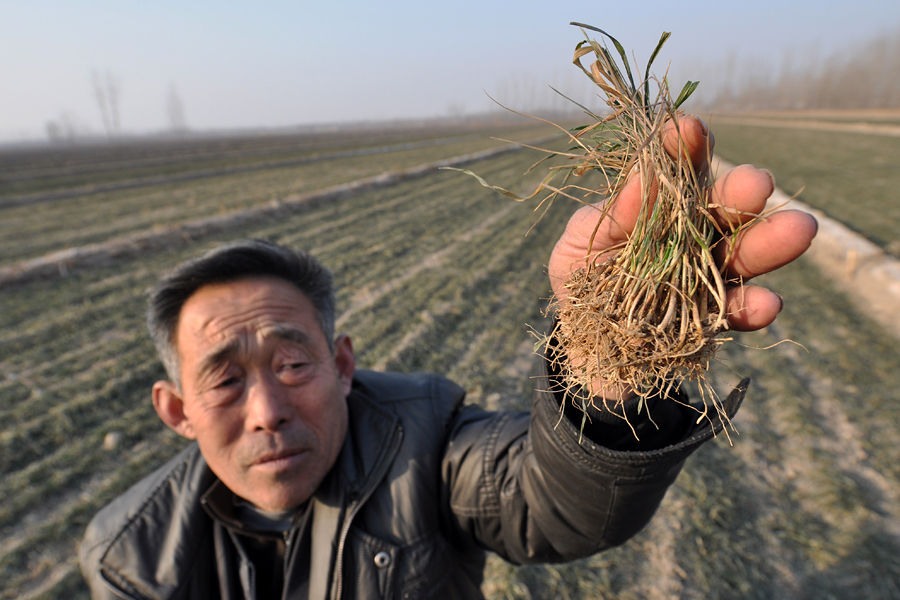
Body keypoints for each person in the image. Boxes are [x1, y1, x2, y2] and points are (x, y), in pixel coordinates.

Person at [78, 116, 817, 599]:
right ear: (177, 410)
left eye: (293, 365)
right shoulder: (132, 558)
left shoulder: (426, 446)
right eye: (226, 381)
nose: (268, 412)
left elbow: (556, 506)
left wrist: (608, 370)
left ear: (343, 365)